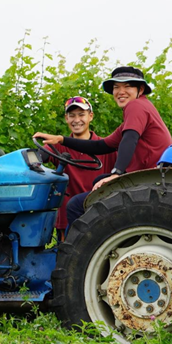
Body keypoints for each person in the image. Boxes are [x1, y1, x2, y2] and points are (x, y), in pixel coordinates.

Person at [33, 66, 172, 226]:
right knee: (99, 181)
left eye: (127, 86)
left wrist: (116, 173)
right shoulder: (140, 110)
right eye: (116, 87)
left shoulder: (136, 106)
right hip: (148, 176)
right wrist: (61, 139)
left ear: (140, 89)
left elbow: (130, 138)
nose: (121, 91)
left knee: (75, 205)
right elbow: (102, 146)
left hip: (144, 179)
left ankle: (75, 251)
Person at [40, 96, 116, 238]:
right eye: (72, 115)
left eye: (81, 115)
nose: (76, 120)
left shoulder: (105, 147)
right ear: (66, 118)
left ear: (90, 116)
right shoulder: (58, 145)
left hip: (99, 214)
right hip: (68, 218)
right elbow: (41, 156)